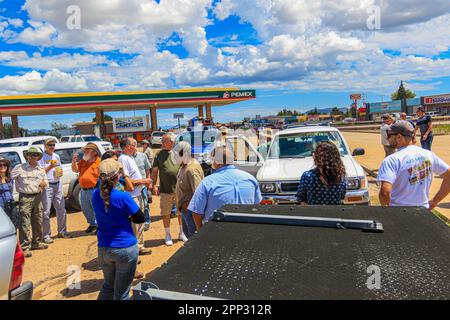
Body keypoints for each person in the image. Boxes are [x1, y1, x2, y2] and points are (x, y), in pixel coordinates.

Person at [91, 158, 145, 300]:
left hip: (104, 247)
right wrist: (127, 218)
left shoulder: (95, 195)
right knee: (122, 292)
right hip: (124, 248)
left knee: (108, 287)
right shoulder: (123, 196)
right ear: (118, 176)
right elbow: (140, 218)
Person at [378, 120, 450, 209]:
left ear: (399, 137)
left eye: (389, 135)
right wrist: (435, 201)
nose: (387, 138)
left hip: (399, 212)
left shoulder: (391, 160)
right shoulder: (428, 154)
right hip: (423, 211)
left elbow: (385, 193)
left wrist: (388, 211)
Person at [188, 144, 262, 230]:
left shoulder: (207, 182)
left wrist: (200, 230)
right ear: (233, 158)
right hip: (245, 230)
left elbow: (196, 211)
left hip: (216, 232)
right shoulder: (251, 179)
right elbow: (257, 206)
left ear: (216, 162)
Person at [12, 147, 49, 258]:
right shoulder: (20, 168)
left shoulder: (41, 169)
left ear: (38, 157)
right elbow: (9, 177)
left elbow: (46, 180)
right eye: (31, 154)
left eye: (36, 155)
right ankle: (24, 247)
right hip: (25, 197)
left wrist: (44, 183)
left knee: (38, 220)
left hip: (38, 196)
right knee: (24, 222)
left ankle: (36, 243)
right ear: (27, 156)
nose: (33, 157)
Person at [118, 138, 152, 257]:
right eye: (134, 145)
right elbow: (127, 181)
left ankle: (139, 247)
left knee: (140, 222)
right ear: (127, 146)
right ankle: (134, 251)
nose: (136, 147)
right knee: (135, 224)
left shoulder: (130, 158)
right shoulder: (123, 159)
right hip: (132, 197)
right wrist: (144, 181)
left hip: (138, 194)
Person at [151, 133, 186, 245]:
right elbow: (155, 171)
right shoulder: (159, 155)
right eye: (163, 141)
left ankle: (181, 233)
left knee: (181, 213)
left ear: (172, 142)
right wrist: (154, 185)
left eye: (165, 141)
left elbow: (186, 168)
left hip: (180, 189)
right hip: (165, 190)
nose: (162, 143)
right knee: (166, 213)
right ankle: (168, 235)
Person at [39, 138, 70, 244]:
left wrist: (59, 172)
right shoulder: (41, 157)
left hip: (57, 184)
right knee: (46, 211)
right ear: (45, 146)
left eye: (53, 145)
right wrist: (50, 166)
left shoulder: (56, 156)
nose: (52, 147)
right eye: (50, 145)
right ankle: (46, 235)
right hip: (47, 186)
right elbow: (40, 172)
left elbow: (58, 168)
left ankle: (62, 231)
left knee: (61, 209)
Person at [173, 141, 204, 239]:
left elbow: (199, 194)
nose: (174, 157)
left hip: (191, 213)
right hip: (185, 211)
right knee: (189, 237)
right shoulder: (184, 166)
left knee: (194, 240)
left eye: (176, 154)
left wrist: (188, 204)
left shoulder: (192, 169)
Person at [71, 142, 101, 234]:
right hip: (83, 190)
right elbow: (75, 170)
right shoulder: (83, 161)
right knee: (85, 209)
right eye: (85, 150)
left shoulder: (99, 162)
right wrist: (74, 161)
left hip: (94, 189)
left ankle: (99, 225)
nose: (85, 152)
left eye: (87, 150)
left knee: (96, 208)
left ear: (94, 152)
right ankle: (92, 224)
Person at [133, 147, 153, 232]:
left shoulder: (143, 156)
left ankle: (147, 221)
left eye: (134, 145)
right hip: (132, 187)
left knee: (145, 204)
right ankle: (138, 221)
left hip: (144, 186)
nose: (134, 148)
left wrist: (149, 183)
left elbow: (147, 170)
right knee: (136, 206)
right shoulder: (126, 158)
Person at [0, 157, 18, 228]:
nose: (2, 166)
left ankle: (15, 238)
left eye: (4, 165)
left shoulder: (10, 178)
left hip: (11, 204)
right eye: (0, 165)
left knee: (14, 223)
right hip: (1, 207)